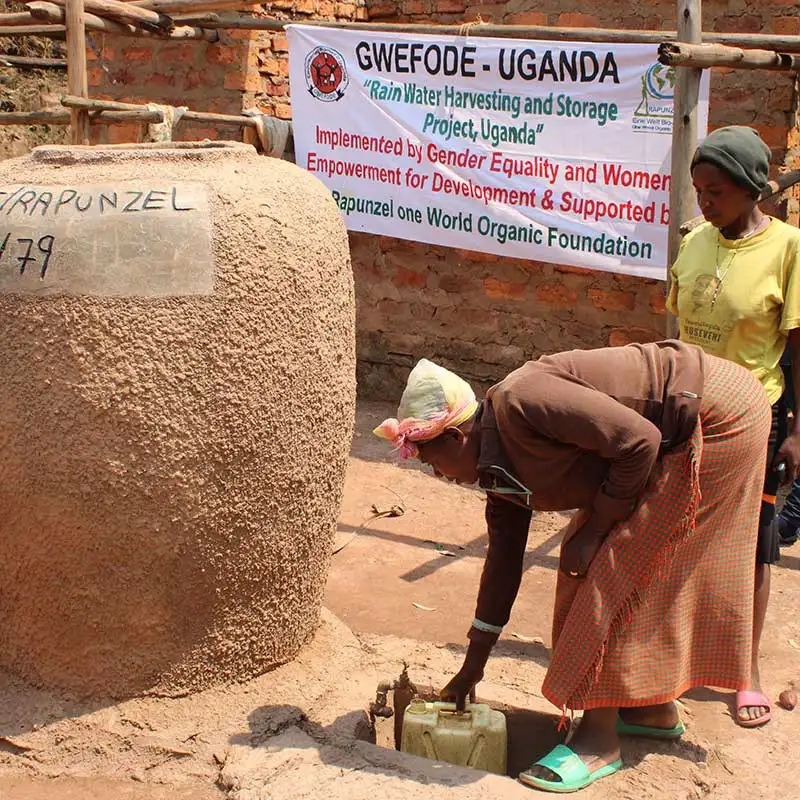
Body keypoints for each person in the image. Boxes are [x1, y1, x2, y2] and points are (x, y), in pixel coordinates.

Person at [375, 346, 769, 793]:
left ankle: (599, 742)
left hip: (718, 415)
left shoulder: (523, 402)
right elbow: (503, 564)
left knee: (609, 567)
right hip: (683, 423)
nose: (436, 474)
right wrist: (474, 665)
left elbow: (640, 441)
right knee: (609, 561)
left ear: (456, 438)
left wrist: (598, 526)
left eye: (430, 460)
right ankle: (650, 711)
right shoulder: (498, 474)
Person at [668, 125, 800, 727]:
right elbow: (675, 332)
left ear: (752, 188)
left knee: (753, 548)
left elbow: (797, 349)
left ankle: (744, 672)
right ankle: (672, 659)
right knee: (675, 535)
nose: (705, 202)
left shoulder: (788, 249)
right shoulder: (694, 242)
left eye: (716, 190)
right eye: (698, 189)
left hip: (756, 420)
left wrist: (796, 432)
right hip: (686, 411)